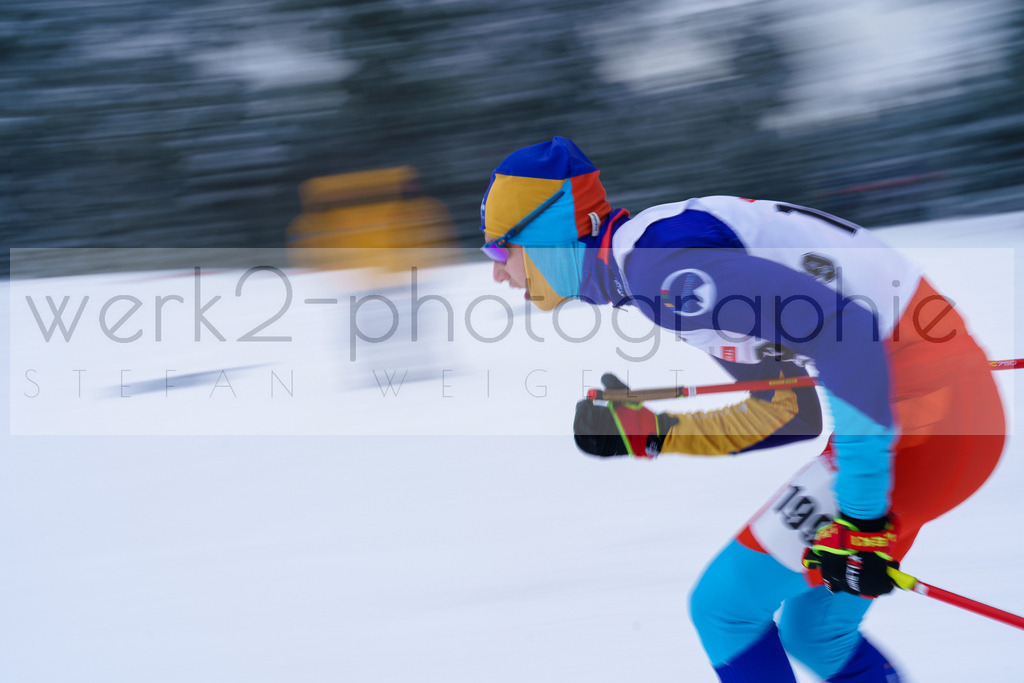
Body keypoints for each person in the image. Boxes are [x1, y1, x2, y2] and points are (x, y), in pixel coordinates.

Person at [478, 137, 1005, 682]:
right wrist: (653, 432)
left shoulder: (659, 269)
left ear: (548, 237)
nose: (499, 274)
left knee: (724, 610)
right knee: (816, 634)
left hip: (929, 424)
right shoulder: (653, 269)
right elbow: (786, 411)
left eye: (501, 252)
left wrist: (864, 514)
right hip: (935, 414)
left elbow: (846, 333)